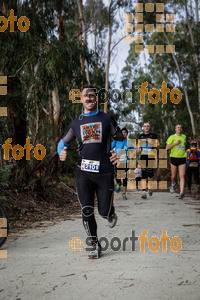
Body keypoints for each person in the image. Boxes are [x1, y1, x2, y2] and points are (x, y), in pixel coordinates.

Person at [57, 85, 123, 259]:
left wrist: (118, 154)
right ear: (81, 99)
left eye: (92, 95)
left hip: (105, 172)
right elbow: (62, 143)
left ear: (96, 98)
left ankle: (110, 214)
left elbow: (121, 140)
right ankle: (94, 244)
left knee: (103, 211)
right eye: (85, 95)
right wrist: (61, 152)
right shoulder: (76, 123)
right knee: (86, 210)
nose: (88, 98)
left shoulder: (107, 119)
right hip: (84, 173)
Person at [138, 123, 160, 199]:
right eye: (145, 126)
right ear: (143, 128)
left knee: (150, 174)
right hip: (143, 156)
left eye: (148, 126)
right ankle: (144, 192)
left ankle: (150, 187)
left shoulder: (153, 135)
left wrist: (151, 142)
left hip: (151, 156)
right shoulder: (141, 136)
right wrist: (138, 150)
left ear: (150, 127)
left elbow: (158, 145)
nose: (146, 127)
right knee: (143, 173)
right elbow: (139, 145)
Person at [166, 124, 186, 199]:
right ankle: (173, 184)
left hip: (182, 158)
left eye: (180, 127)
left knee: (182, 175)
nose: (179, 128)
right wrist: (175, 143)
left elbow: (184, 145)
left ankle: (181, 192)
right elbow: (167, 148)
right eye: (178, 127)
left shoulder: (184, 136)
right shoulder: (172, 137)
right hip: (174, 158)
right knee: (173, 175)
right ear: (175, 129)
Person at [111, 128, 129, 200]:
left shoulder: (129, 142)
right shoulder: (116, 141)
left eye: (125, 132)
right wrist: (112, 152)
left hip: (126, 162)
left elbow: (133, 152)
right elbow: (110, 148)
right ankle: (118, 183)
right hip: (117, 161)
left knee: (125, 178)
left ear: (127, 133)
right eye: (122, 132)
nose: (123, 133)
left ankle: (124, 194)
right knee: (116, 175)